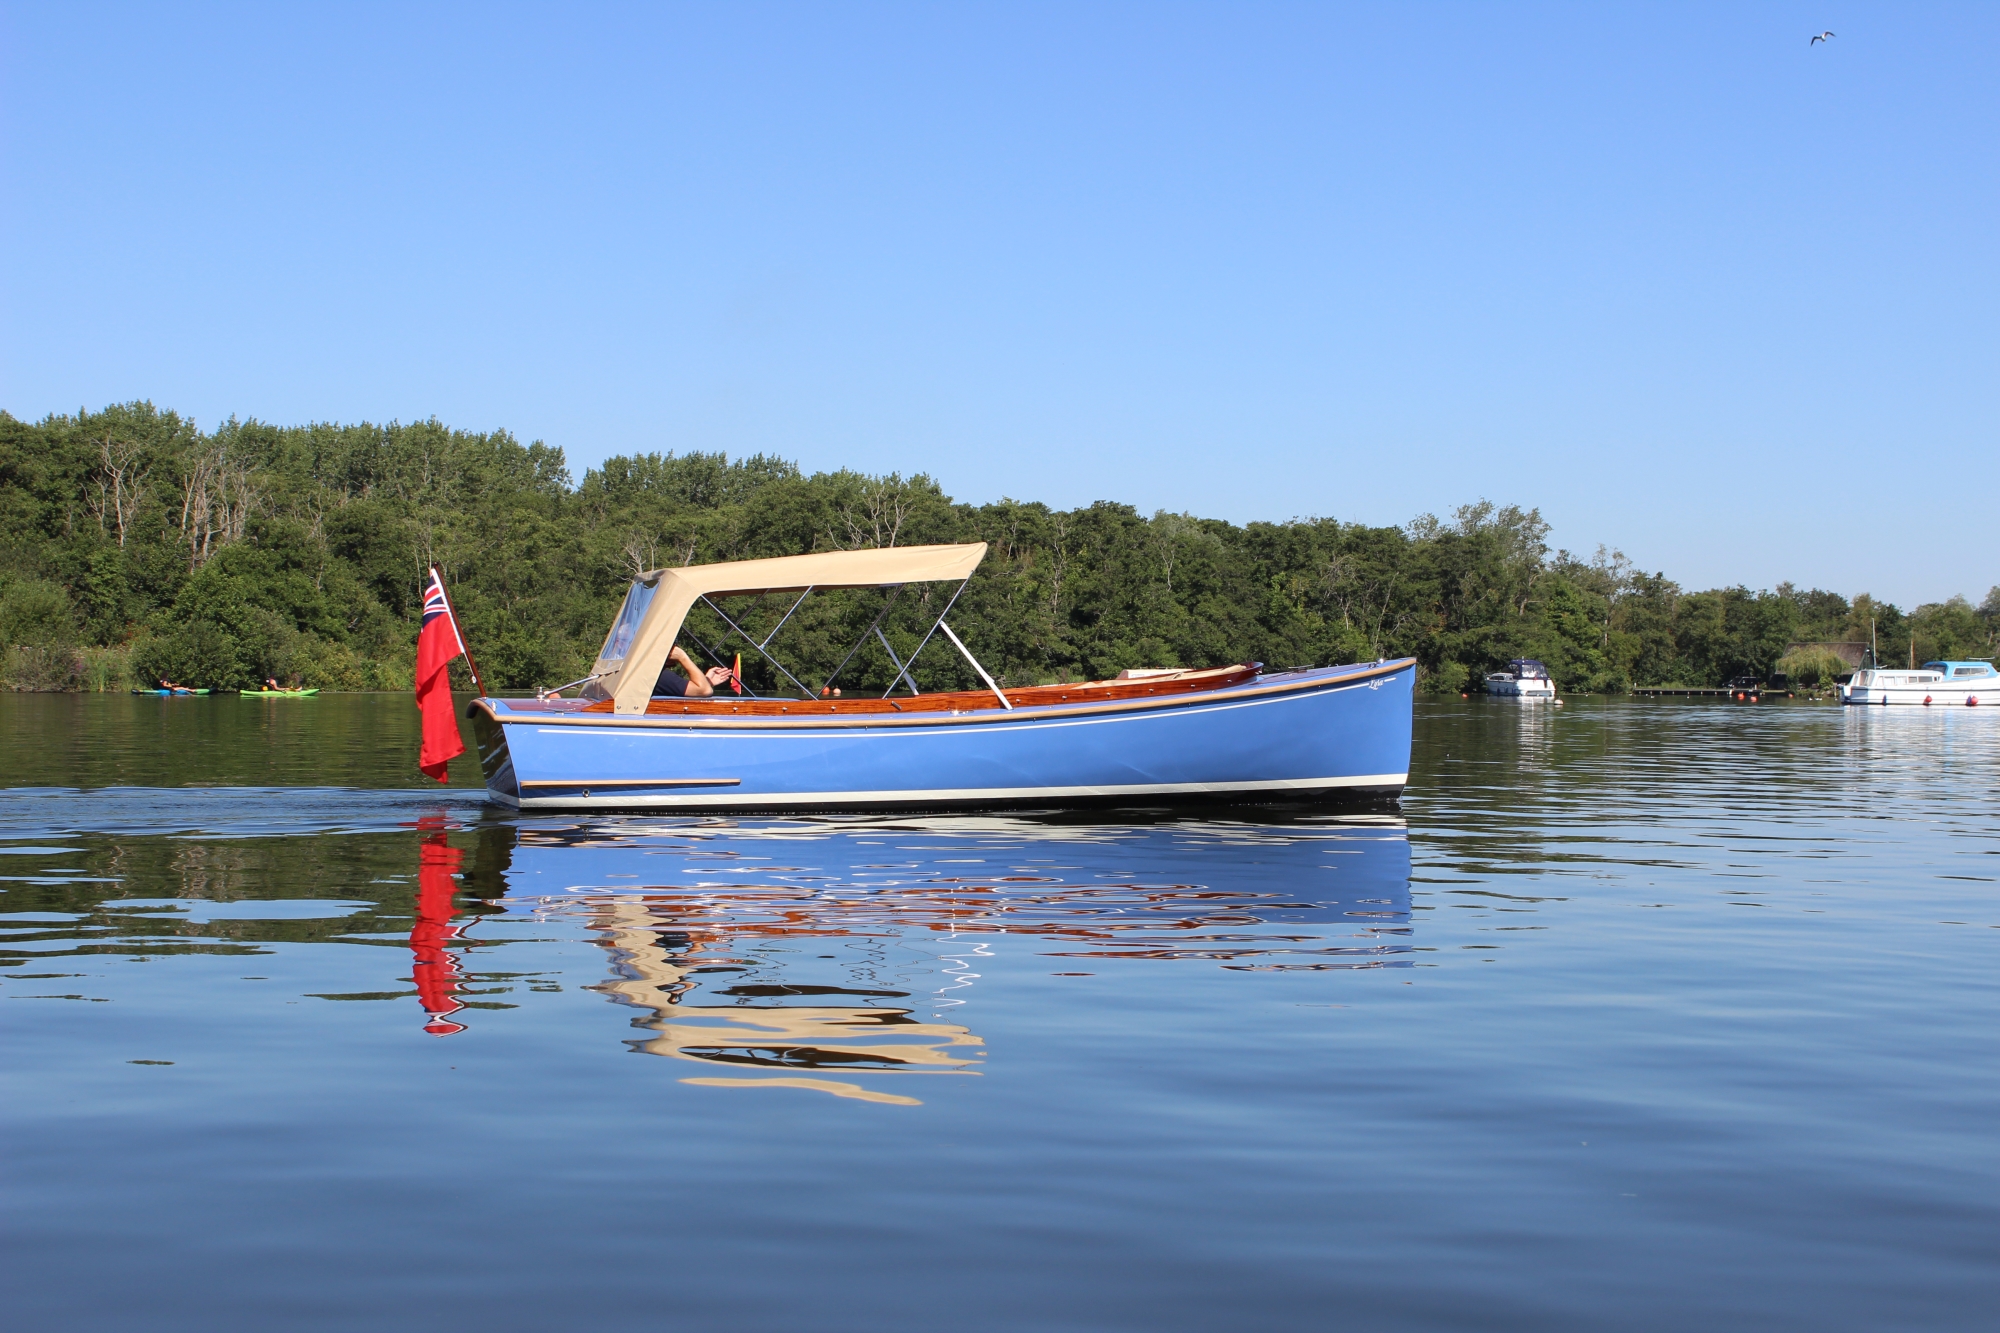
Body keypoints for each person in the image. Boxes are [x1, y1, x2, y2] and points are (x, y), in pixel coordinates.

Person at [653, 645, 733, 698]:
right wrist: (682, 657)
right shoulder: (658, 676)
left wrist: (706, 682)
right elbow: (704, 691)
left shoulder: (655, 676)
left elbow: (700, 689)